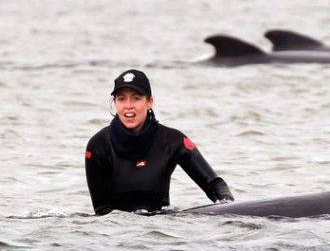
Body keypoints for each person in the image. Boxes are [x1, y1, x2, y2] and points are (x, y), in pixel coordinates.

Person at [85, 69, 234, 215]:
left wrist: (228, 208)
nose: (128, 105)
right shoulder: (98, 146)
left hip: (161, 230)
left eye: (136, 98)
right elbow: (102, 212)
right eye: (121, 98)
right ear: (115, 103)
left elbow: (214, 185)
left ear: (149, 102)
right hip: (117, 235)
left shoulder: (172, 141)